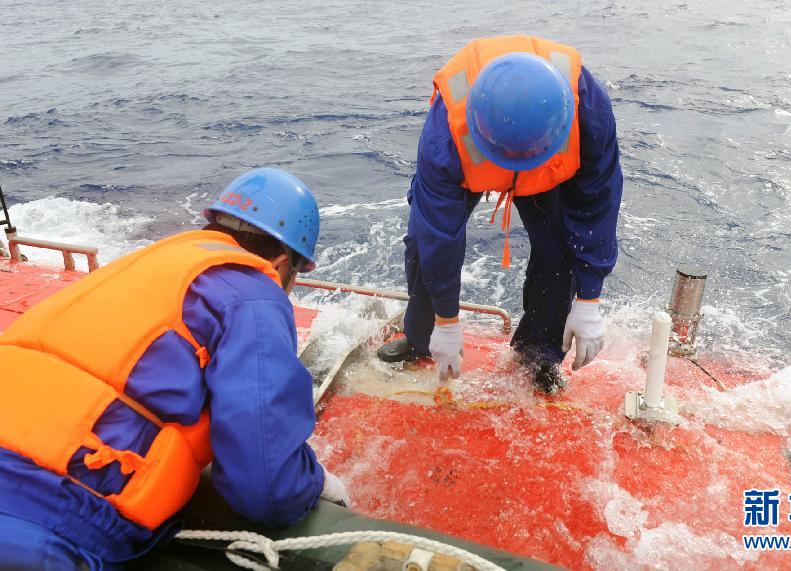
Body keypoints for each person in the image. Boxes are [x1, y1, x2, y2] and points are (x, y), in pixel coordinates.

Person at [0, 167, 349, 570]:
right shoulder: (253, 294)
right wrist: (316, 483)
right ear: (284, 262)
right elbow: (266, 488)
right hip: (48, 516)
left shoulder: (147, 264)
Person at [377, 35, 624, 392]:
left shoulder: (590, 113)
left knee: (559, 249)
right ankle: (422, 337)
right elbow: (437, 232)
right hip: (471, 160)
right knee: (421, 244)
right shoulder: (445, 135)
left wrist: (590, 298)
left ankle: (538, 354)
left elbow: (598, 203)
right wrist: (447, 320)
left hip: (548, 175)